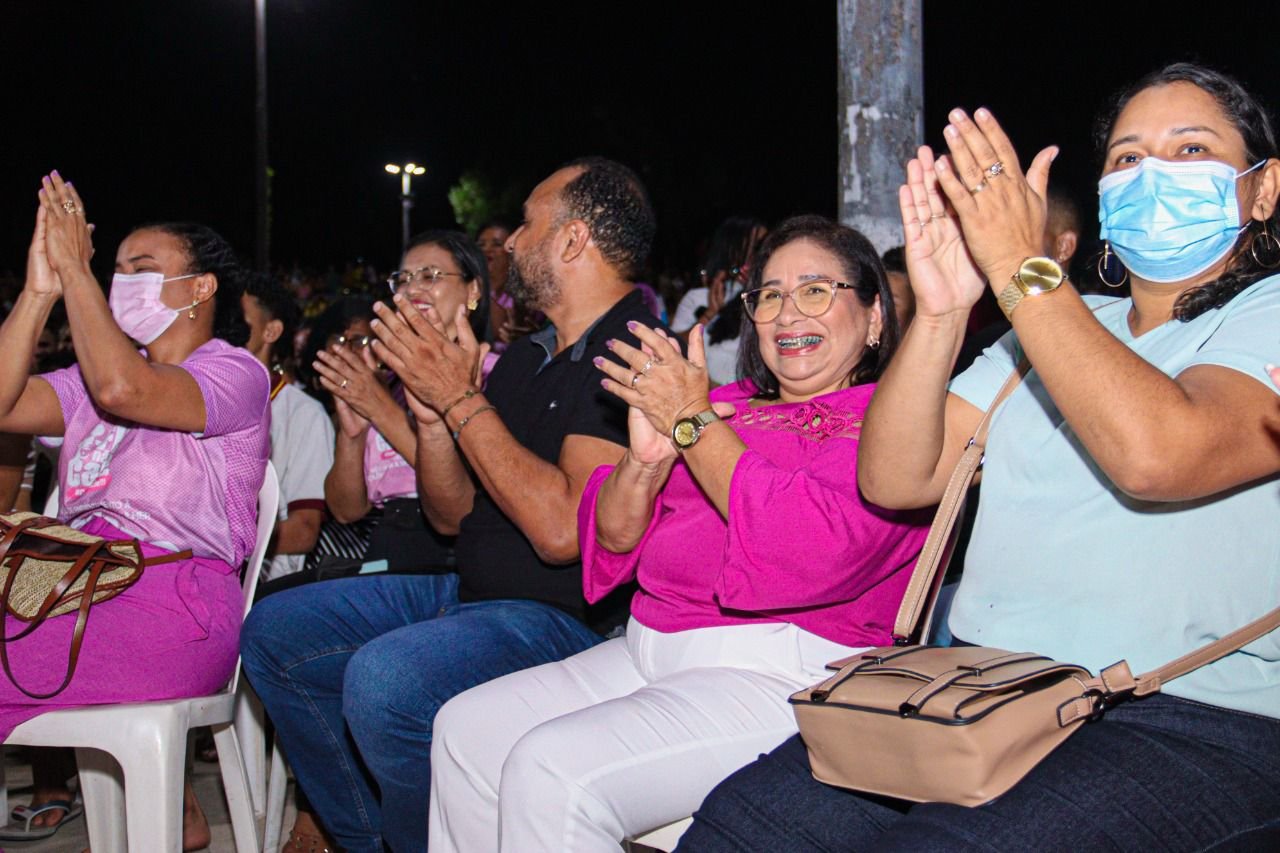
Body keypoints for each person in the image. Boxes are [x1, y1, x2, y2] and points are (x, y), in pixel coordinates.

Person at [680, 62, 1280, 851]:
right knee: (740, 825)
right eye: (1128, 159)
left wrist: (1020, 275)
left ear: (1262, 190)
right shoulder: (1057, 322)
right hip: (982, 688)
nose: (1154, 175)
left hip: (1185, 715)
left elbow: (1155, 455)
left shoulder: (1258, 312)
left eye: (1192, 149)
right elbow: (896, 475)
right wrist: (941, 311)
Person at [427, 215, 931, 851]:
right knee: (465, 730)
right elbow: (611, 539)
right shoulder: (728, 404)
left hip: (778, 672)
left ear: (875, 317)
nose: (786, 314)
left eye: (814, 290)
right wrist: (642, 463)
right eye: (769, 295)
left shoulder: (889, 425)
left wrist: (692, 424)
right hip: (646, 646)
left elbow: (802, 550)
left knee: (553, 770)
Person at [241, 157, 665, 853]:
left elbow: (565, 531)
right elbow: (451, 513)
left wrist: (461, 398)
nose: (510, 244)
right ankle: (373, 837)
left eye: (528, 224)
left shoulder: (630, 351)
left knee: (387, 682)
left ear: (573, 239)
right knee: (273, 631)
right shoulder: (531, 356)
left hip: (566, 619)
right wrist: (437, 414)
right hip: (468, 589)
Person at [0, 175, 269, 846]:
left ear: (201, 289)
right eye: (113, 270)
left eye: (140, 270)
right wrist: (41, 291)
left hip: (174, 604)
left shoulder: (233, 372)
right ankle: (175, 810)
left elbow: (126, 387)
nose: (119, 284)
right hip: (73, 588)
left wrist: (79, 269)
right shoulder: (81, 385)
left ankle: (172, 808)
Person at [313, 232, 493, 576]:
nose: (412, 290)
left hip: (450, 556)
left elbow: (462, 498)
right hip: (384, 543)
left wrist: (379, 407)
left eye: (430, 276)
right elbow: (346, 510)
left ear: (472, 291)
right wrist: (351, 436)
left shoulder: (493, 373)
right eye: (403, 279)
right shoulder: (388, 381)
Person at [241, 272, 333, 585]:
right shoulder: (202, 403)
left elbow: (304, 531)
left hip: (265, 587)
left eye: (240, 320)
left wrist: (210, 539)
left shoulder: (304, 413)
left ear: (272, 330)